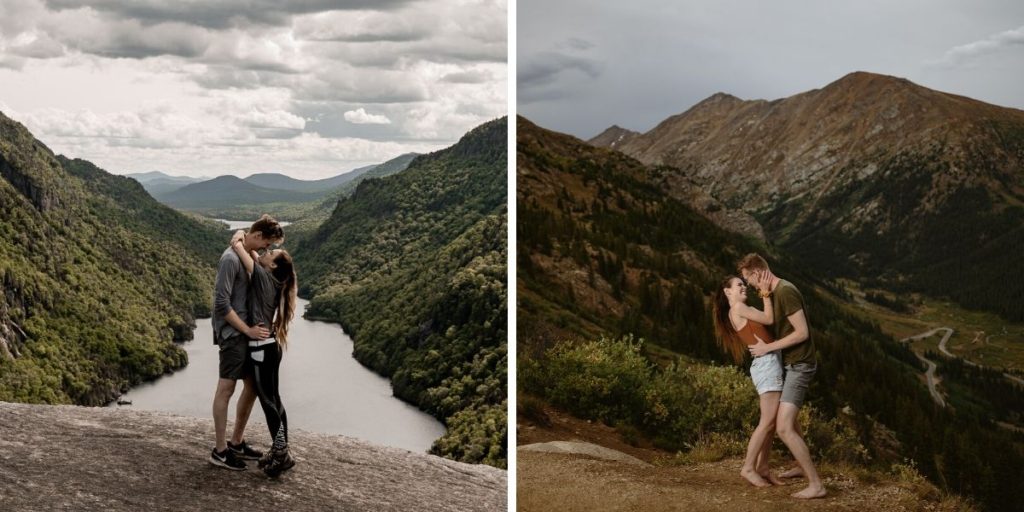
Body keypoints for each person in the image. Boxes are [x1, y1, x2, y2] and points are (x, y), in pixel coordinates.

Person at [738, 253, 826, 499]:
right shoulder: (772, 293)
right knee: (790, 420)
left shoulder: (785, 291)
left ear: (757, 272)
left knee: (784, 427)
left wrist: (768, 348)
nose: (751, 286)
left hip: (800, 364)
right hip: (790, 364)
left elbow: (802, 333)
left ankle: (816, 485)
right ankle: (799, 465)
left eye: (749, 279)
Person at [209, 215, 284, 471]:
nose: (265, 250)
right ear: (260, 237)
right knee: (226, 390)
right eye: (266, 245)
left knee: (252, 387)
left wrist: (240, 234)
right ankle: (220, 451)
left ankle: (236, 442)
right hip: (233, 335)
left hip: (246, 337)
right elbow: (221, 304)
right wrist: (248, 331)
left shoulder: (248, 256)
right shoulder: (230, 259)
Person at [229, 228, 298, 477]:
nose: (267, 252)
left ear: (272, 266)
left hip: (260, 350)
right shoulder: (274, 278)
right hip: (271, 348)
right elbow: (256, 255)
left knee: (268, 403)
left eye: (272, 253)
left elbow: (239, 248)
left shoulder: (262, 277)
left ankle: (280, 454)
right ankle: (283, 450)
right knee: (276, 401)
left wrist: (239, 238)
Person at [711, 274, 784, 488]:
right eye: (739, 285)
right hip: (767, 363)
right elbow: (769, 319)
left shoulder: (736, 311)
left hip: (768, 362)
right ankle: (749, 467)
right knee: (767, 422)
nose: (744, 287)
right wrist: (764, 292)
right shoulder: (739, 309)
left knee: (770, 423)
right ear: (727, 291)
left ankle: (762, 467)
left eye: (744, 284)